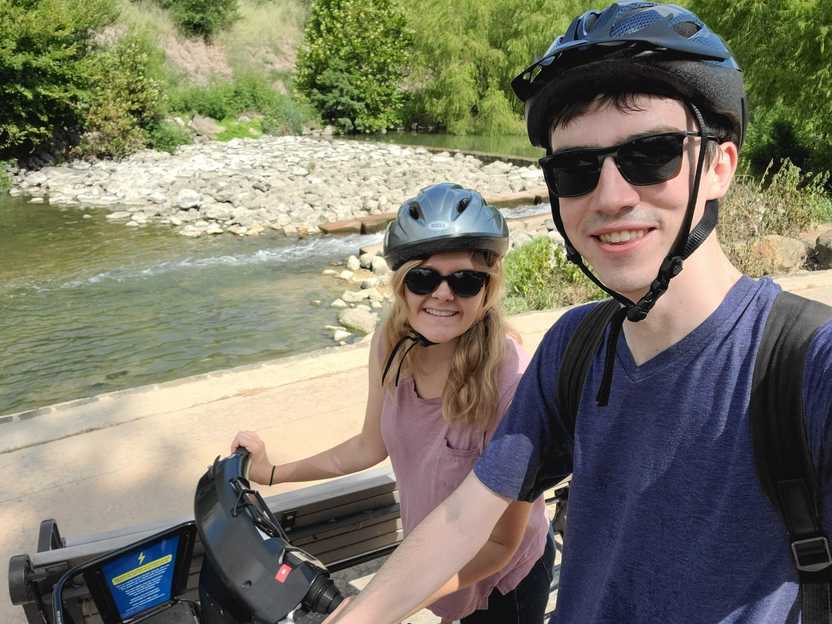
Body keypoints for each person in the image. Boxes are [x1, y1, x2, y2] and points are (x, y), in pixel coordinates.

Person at [323, 2, 832, 623]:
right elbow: (464, 517)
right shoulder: (575, 347)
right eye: (576, 169)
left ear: (719, 166)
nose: (612, 197)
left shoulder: (807, 367)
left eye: (652, 155)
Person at [232, 182, 554, 623]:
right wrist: (272, 473)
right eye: (423, 278)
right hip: (434, 557)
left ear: (487, 289)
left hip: (502, 578)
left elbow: (501, 545)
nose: (443, 294)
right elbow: (369, 445)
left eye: (465, 280)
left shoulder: (511, 379)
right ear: (401, 286)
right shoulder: (391, 344)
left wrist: (385, 604)